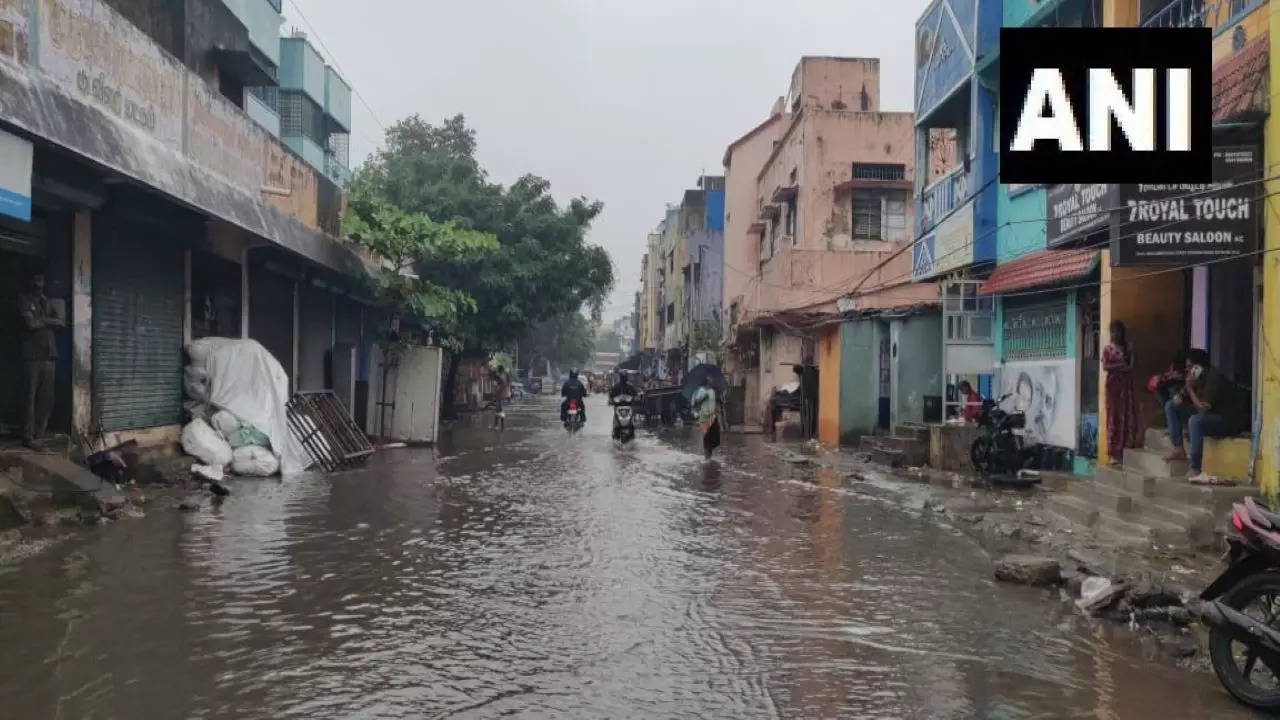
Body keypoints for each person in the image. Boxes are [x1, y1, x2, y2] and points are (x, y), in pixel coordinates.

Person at [1164, 349, 1248, 483]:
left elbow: (1203, 409)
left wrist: (1190, 389)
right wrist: (1179, 395)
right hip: (1210, 415)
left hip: (1226, 419)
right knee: (1170, 406)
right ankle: (1178, 447)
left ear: (1199, 368)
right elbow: (1180, 398)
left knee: (1195, 421)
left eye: (1190, 367)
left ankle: (1195, 467)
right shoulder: (1194, 379)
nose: (1188, 371)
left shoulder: (1213, 378)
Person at [19, 272, 63, 452]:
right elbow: (30, 324)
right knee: (30, 397)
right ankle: (28, 437)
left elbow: (61, 323)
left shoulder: (48, 302)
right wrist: (49, 321)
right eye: (36, 279)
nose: (39, 283)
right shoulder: (24, 298)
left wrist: (42, 320)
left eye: (42, 279)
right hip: (32, 356)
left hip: (49, 356)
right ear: (30, 281)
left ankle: (39, 435)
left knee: (47, 399)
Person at [1103, 320, 1138, 466]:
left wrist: (1123, 365)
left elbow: (1131, 367)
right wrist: (1120, 366)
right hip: (1112, 388)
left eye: (1116, 331)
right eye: (1112, 331)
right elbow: (1105, 366)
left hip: (1125, 387)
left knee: (1126, 416)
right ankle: (1113, 453)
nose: (1114, 334)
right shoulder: (1107, 349)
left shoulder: (1128, 348)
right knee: (1113, 418)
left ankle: (1125, 450)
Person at [692, 375, 720, 459]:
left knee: (715, 436)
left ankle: (709, 454)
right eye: (709, 379)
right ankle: (707, 457)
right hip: (704, 417)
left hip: (713, 416)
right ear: (706, 381)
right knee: (707, 437)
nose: (711, 380)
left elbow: (714, 401)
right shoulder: (701, 390)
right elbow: (696, 402)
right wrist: (704, 398)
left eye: (711, 379)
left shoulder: (712, 391)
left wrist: (716, 408)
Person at [490, 364, 509, 429]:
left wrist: (496, 394)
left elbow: (502, 385)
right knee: (499, 411)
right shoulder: (504, 375)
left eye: (497, 369)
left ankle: (497, 426)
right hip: (503, 395)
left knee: (499, 411)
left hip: (500, 395)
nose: (496, 370)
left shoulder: (501, 376)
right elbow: (505, 384)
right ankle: (499, 426)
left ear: (499, 370)